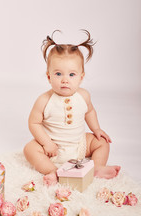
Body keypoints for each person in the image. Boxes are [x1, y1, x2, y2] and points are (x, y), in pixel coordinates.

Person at [24, 30, 121, 186]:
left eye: (71, 75)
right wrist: (47, 143)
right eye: (58, 74)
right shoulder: (44, 100)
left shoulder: (83, 96)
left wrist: (96, 129)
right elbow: (33, 123)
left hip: (79, 145)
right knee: (29, 149)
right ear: (49, 76)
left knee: (102, 142)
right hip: (52, 150)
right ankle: (53, 171)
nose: (65, 80)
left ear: (81, 77)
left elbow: (90, 111)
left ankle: (96, 168)